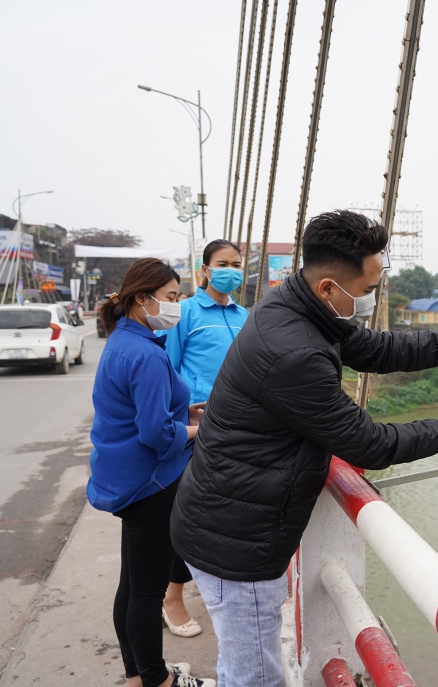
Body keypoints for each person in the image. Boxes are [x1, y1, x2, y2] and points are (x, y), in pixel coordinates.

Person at [170, 210, 438, 687]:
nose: (373, 298)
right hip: (238, 544)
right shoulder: (295, 352)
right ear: (330, 286)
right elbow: (365, 442)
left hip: (226, 520)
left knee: (241, 662)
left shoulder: (295, 304)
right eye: (369, 289)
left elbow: (374, 348)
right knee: (257, 678)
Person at [88, 258, 215, 687]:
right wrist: (204, 429)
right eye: (172, 298)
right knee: (146, 591)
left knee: (132, 584)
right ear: (142, 299)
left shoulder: (125, 339)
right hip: (152, 483)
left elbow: (147, 413)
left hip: (127, 479)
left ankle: (137, 676)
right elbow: (157, 434)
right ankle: (158, 680)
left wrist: (186, 410)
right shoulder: (144, 353)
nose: (176, 306)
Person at [157, 239, 249, 638]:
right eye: (222, 263)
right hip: (198, 431)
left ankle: (221, 592)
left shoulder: (247, 316)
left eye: (236, 263)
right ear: (205, 270)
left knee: (228, 516)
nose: (231, 270)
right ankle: (171, 596)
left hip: (241, 430)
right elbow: (168, 371)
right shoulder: (186, 313)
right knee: (190, 516)